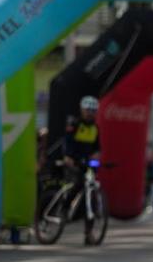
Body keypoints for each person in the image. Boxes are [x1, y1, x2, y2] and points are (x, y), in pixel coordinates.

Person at [63, 95, 101, 244]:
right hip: (73, 160)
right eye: (87, 110)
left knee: (90, 195)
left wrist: (97, 158)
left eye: (93, 110)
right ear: (82, 110)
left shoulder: (95, 128)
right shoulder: (75, 124)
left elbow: (97, 148)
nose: (90, 113)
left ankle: (89, 232)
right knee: (79, 183)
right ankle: (65, 208)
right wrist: (68, 157)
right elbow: (67, 141)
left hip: (87, 163)